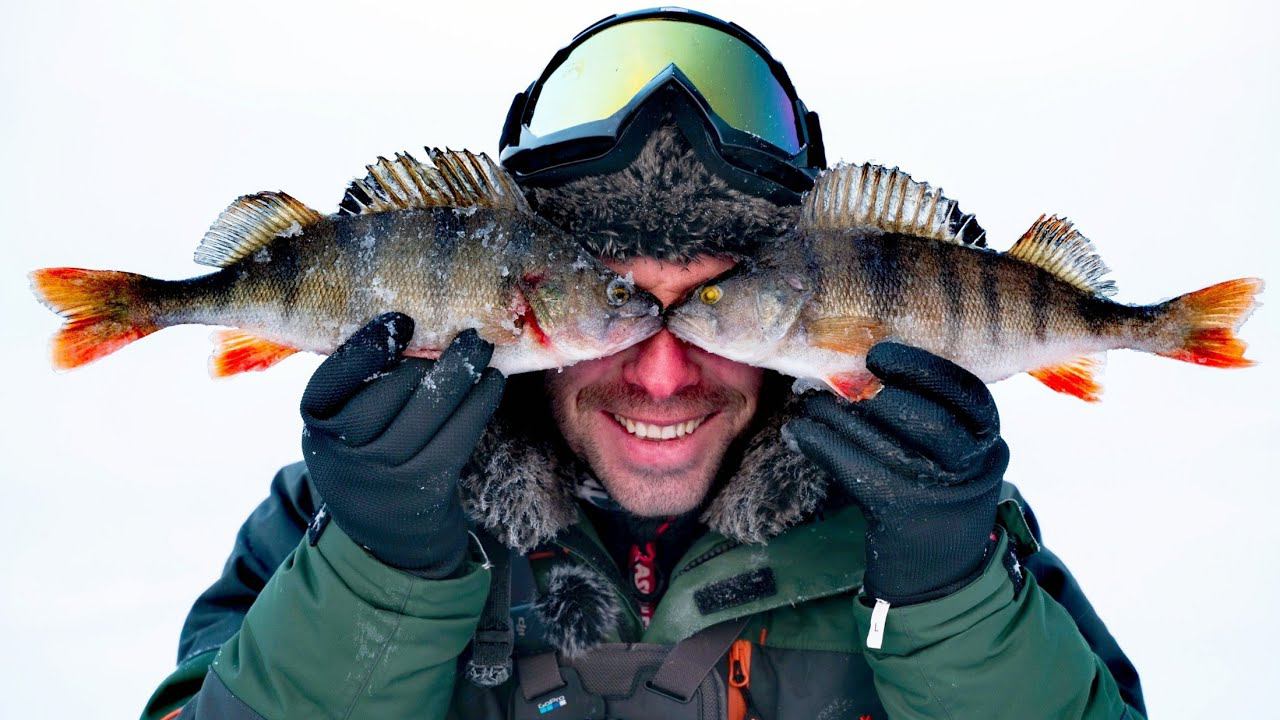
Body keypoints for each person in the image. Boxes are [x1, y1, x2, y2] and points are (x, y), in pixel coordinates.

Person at [142, 8, 1145, 719]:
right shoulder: (338, 513)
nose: (662, 376)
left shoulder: (946, 522)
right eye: (621, 310)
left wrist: (950, 597)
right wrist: (375, 575)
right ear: (527, 298)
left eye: (705, 309)